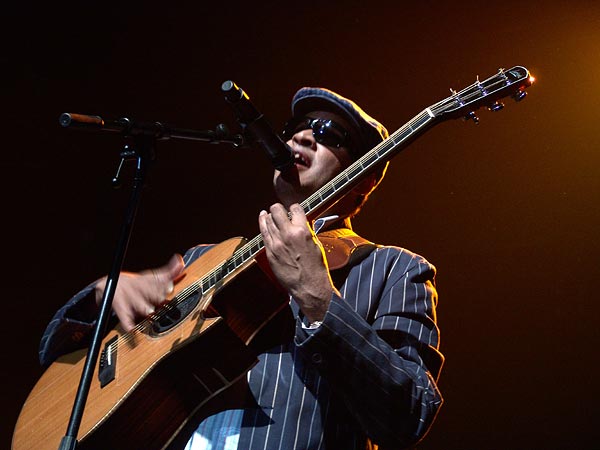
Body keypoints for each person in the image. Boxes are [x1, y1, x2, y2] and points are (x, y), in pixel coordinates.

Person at [38, 86, 444, 449]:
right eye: (296, 126)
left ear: (363, 180)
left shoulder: (392, 269)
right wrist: (104, 298)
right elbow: (55, 367)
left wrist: (318, 300)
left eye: (327, 133)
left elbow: (410, 414)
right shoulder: (204, 258)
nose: (301, 135)